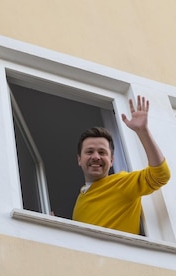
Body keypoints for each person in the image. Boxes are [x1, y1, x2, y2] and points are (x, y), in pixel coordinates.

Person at [72, 95, 170, 235]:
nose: (96, 157)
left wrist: (143, 132)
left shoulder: (122, 183)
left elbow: (160, 175)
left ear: (111, 160)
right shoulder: (80, 199)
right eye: (89, 152)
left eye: (102, 152)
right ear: (79, 159)